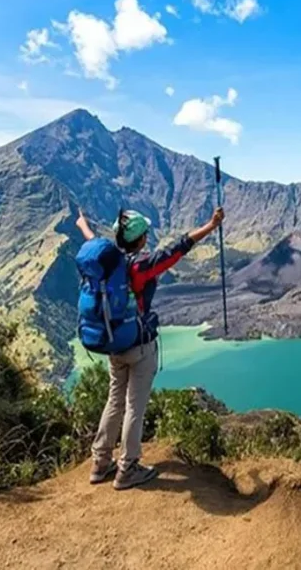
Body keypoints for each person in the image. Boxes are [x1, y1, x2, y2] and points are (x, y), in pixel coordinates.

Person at [75, 205, 224, 490]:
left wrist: (82, 224)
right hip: (139, 346)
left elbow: (90, 239)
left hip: (113, 344)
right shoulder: (140, 266)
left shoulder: (109, 263)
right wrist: (210, 225)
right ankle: (128, 468)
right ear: (141, 239)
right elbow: (179, 248)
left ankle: (100, 462)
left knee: (114, 400)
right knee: (135, 406)